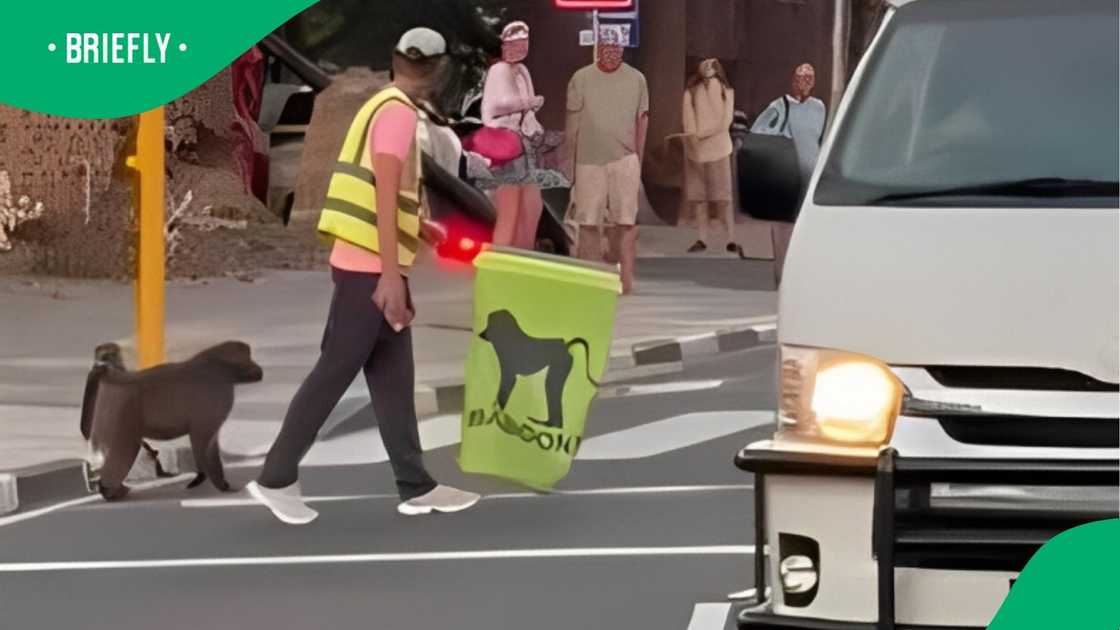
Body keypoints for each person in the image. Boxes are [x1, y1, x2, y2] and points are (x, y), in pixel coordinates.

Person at [246, 28, 481, 525]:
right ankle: (276, 475)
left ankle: (415, 485)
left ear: (394, 61)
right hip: (371, 268)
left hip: (367, 260)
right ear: (439, 71)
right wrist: (392, 278)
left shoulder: (381, 106)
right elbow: (384, 189)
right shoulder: (397, 116)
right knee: (335, 370)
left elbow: (382, 191)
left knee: (394, 378)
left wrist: (422, 227)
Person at [565, 29, 649, 295]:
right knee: (588, 222)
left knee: (625, 222)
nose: (612, 52)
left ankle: (624, 280)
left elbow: (642, 119)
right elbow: (572, 122)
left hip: (625, 160)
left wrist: (639, 156)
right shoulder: (581, 78)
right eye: (607, 47)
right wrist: (570, 161)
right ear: (598, 49)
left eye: (617, 47)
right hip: (589, 160)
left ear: (623, 49)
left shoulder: (637, 79)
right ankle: (588, 278)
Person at [478, 21, 567, 249]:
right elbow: (496, 106)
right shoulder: (499, 71)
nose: (519, 49)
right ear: (505, 46)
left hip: (524, 144)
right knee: (510, 209)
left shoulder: (522, 71)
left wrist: (539, 131)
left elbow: (527, 113)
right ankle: (500, 260)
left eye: (523, 44)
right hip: (505, 144)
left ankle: (521, 257)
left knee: (531, 207)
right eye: (515, 44)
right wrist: (526, 102)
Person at [750, 62, 826, 285]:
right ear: (793, 80)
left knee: (804, 229)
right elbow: (758, 133)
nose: (805, 82)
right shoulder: (779, 106)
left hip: (809, 175)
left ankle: (801, 278)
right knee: (782, 229)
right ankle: (781, 278)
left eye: (809, 78)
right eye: (801, 78)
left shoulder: (819, 107)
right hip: (785, 174)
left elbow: (818, 138)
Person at [681, 58, 742, 256]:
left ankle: (731, 239)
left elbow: (726, 120)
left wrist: (705, 133)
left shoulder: (726, 90)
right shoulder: (691, 91)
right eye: (705, 65)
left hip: (719, 149)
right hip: (697, 152)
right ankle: (702, 238)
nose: (708, 68)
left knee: (724, 198)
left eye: (712, 65)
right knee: (700, 198)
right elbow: (688, 119)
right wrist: (693, 137)